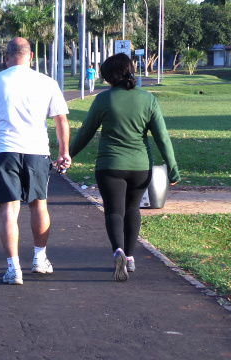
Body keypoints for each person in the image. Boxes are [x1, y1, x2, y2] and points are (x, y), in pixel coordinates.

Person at [69, 53, 180, 282]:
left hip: (109, 166)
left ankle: (117, 250)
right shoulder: (148, 99)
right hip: (140, 167)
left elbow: (85, 133)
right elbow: (162, 138)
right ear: (130, 70)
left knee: (113, 211)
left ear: (108, 76)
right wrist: (172, 168)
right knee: (132, 210)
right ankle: (129, 257)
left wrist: (66, 155)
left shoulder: (103, 100)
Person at [0, 37, 71, 285]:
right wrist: (63, 151)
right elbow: (60, 120)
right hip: (37, 152)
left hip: (5, 151)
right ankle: (39, 259)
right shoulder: (47, 83)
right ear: (30, 57)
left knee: (9, 210)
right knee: (39, 205)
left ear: (6, 56)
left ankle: (13, 269)